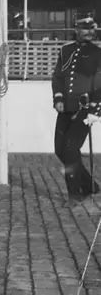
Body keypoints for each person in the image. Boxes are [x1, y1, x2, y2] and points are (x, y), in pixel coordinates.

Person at [52, 14, 101, 207]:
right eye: (85, 29)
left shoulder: (97, 53)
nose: (89, 32)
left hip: (85, 108)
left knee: (70, 148)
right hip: (65, 107)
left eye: (91, 29)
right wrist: (58, 98)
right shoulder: (66, 50)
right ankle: (89, 185)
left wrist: (95, 110)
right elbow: (58, 76)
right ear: (76, 30)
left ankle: (75, 194)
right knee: (59, 149)